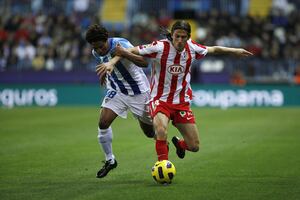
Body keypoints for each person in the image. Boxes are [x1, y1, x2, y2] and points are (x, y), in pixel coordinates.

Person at [98, 20, 253, 161]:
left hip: (181, 102)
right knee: (160, 129)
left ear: (188, 37)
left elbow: (214, 49)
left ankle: (180, 144)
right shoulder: (159, 47)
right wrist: (111, 62)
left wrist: (235, 51)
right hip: (160, 99)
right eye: (177, 36)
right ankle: (162, 166)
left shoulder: (193, 48)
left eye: (183, 37)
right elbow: (128, 50)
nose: (179, 41)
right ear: (172, 35)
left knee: (194, 146)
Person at [85, 24, 155, 178]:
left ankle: (163, 142)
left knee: (150, 133)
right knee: (103, 123)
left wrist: (124, 53)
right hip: (117, 90)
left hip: (139, 92)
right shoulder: (95, 52)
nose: (99, 51)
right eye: (96, 48)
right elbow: (107, 63)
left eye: (101, 47)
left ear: (107, 39)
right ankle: (110, 160)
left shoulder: (121, 43)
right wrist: (105, 74)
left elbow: (144, 62)